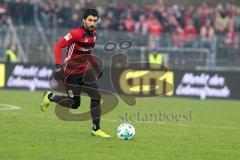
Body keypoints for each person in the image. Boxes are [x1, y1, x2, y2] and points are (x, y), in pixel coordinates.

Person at [40, 9, 110, 138]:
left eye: (95, 20)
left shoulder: (93, 35)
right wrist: (57, 66)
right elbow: (58, 46)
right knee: (74, 104)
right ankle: (50, 97)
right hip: (70, 72)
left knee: (96, 97)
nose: (92, 23)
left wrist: (95, 67)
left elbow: (87, 53)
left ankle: (96, 128)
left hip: (84, 71)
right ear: (83, 20)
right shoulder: (75, 34)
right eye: (90, 20)